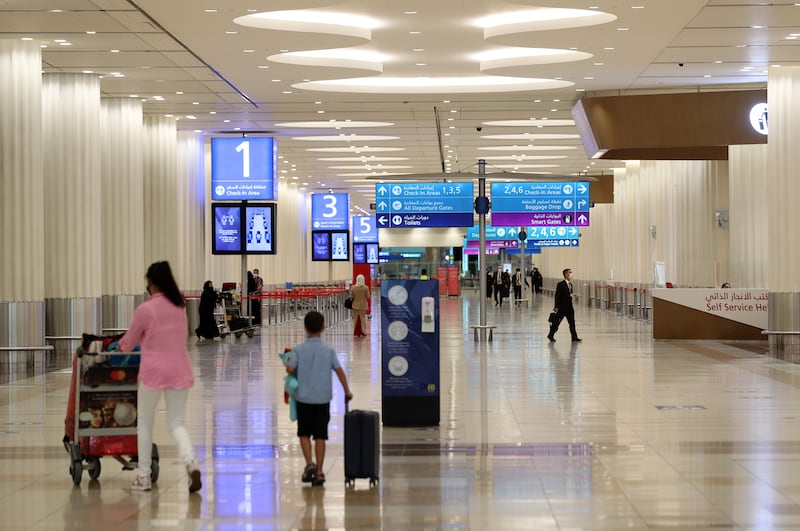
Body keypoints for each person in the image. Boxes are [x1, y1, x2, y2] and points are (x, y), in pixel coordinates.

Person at [119, 261, 201, 493]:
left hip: (153, 373)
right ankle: (190, 462)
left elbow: (129, 343)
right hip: (179, 370)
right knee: (176, 423)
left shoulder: (145, 310)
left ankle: (144, 477)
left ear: (151, 283)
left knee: (144, 424)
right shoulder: (179, 307)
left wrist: (121, 345)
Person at [285, 311, 353, 487]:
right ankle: (320, 472)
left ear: (305, 328)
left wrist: (289, 359)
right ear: (323, 328)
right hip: (323, 399)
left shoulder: (298, 350)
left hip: (304, 398)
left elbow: (290, 369)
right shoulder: (329, 350)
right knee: (321, 435)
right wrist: (347, 391)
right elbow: (339, 371)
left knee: (304, 433)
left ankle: (309, 464)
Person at [548, 268, 581, 343]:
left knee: (572, 323)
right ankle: (550, 335)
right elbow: (557, 296)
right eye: (570, 272)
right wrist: (556, 306)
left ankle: (574, 337)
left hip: (569, 308)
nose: (571, 274)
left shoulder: (571, 285)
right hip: (561, 308)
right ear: (566, 274)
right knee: (557, 323)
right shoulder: (560, 284)